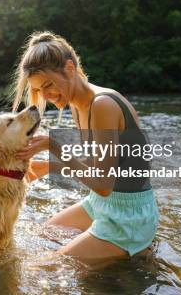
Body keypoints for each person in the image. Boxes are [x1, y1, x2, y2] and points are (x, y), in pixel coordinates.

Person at [12, 31, 159, 266]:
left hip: (127, 215)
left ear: (70, 68)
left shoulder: (102, 105)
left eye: (49, 84)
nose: (46, 96)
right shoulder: (79, 106)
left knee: (47, 268)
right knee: (44, 233)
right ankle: (126, 251)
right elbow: (100, 168)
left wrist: (55, 148)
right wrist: (51, 167)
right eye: (39, 90)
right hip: (102, 204)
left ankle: (135, 246)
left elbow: (103, 185)